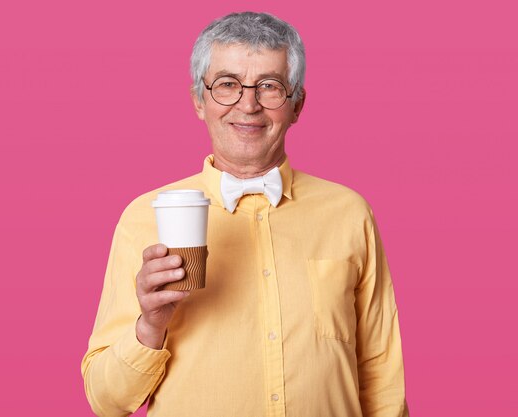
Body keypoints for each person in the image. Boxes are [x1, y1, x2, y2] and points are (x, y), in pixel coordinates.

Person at [82, 11, 409, 417]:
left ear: (297, 105)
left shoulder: (349, 213)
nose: (248, 104)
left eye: (269, 86)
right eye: (227, 85)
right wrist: (149, 326)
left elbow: (381, 377)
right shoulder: (144, 218)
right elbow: (106, 401)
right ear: (199, 101)